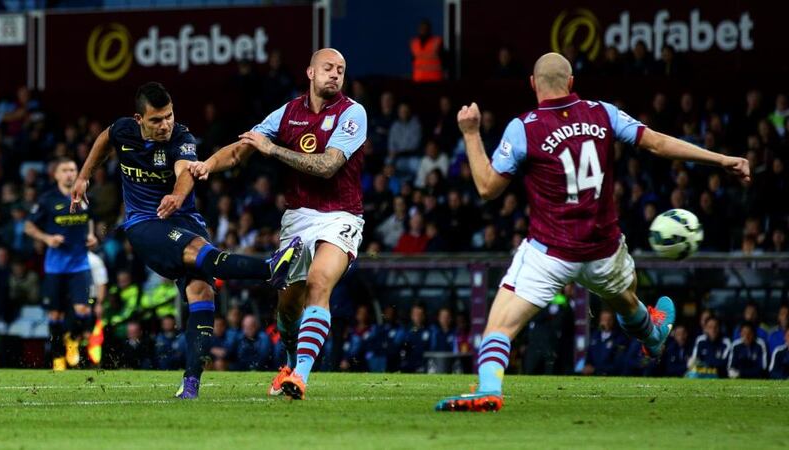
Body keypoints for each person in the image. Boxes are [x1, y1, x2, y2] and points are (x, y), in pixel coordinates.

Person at [436, 53, 750, 412]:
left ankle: (489, 389)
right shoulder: (603, 113)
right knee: (623, 299)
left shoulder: (525, 127)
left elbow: (487, 188)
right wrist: (722, 159)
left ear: (533, 84)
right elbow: (658, 144)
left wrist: (472, 133)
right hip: (604, 250)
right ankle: (653, 335)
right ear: (571, 83)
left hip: (550, 254)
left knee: (500, 326)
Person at [70, 82, 302, 399]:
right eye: (156, 120)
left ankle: (191, 384)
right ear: (139, 119)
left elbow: (185, 172)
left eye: (168, 116)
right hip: (144, 224)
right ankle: (270, 269)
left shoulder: (181, 137)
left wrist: (178, 197)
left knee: (201, 292)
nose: (165, 124)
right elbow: (104, 139)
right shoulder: (123, 131)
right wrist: (83, 176)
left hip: (182, 218)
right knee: (199, 252)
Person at [188, 49, 368, 400]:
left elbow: (328, 166)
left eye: (341, 70)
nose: (335, 75)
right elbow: (244, 148)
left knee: (319, 283)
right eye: (328, 68)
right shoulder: (288, 113)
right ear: (310, 73)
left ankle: (300, 375)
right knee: (287, 308)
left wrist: (273, 151)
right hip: (298, 218)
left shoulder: (352, 113)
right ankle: (288, 362)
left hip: (341, 215)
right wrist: (208, 163)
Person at [24, 158, 97, 370]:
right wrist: (47, 239)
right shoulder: (47, 199)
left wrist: (92, 235)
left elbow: (90, 218)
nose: (69, 174)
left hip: (80, 264)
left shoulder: (83, 197)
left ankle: (72, 340)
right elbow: (29, 226)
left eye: (73, 170)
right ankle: (57, 356)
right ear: (56, 175)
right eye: (64, 170)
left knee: (83, 309)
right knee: (55, 314)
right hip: (55, 266)